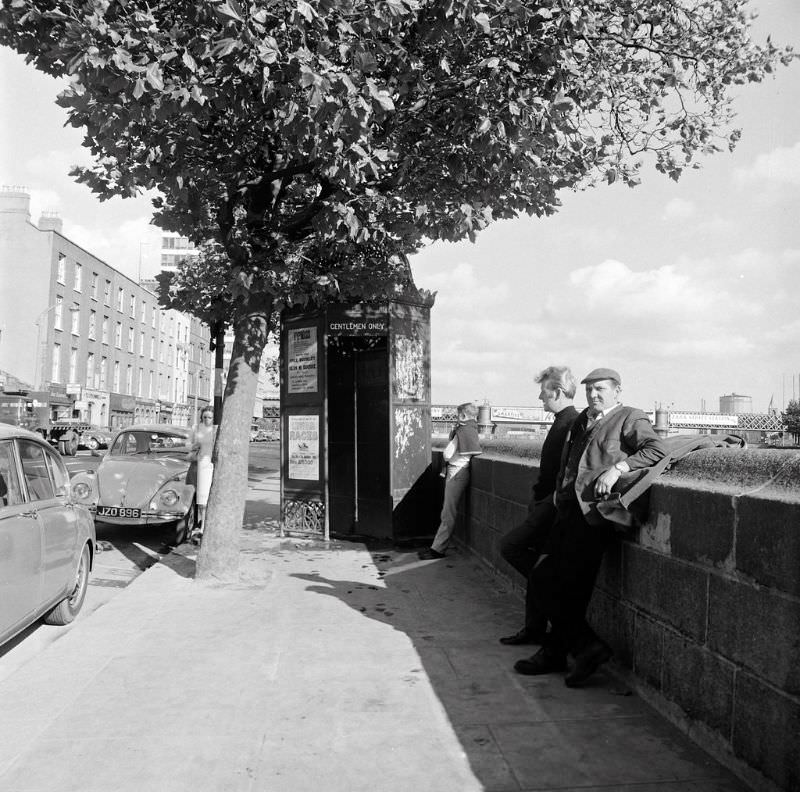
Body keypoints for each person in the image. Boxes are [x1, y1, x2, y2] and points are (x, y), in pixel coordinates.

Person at [515, 368, 667, 687]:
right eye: (589, 390)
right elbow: (569, 461)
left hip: (595, 515)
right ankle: (569, 651)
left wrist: (618, 469)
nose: (593, 395)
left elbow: (655, 449)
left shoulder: (629, 417)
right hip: (568, 511)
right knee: (549, 581)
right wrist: (558, 491)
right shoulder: (584, 418)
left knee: (563, 585)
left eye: (600, 389)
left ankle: (578, 649)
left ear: (617, 390)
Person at [498, 366, 578, 646]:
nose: (539, 397)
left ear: (557, 391)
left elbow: (568, 472)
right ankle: (533, 628)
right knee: (535, 562)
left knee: (510, 547)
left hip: (551, 506)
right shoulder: (564, 420)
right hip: (544, 503)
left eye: (543, 392)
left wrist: (547, 500)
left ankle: (550, 592)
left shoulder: (571, 423)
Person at [418, 402, 483, 560]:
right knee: (449, 512)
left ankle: (437, 549)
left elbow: (447, 454)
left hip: (456, 472)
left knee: (448, 513)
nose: (456, 417)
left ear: (463, 415)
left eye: (458, 414)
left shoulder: (463, 430)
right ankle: (437, 546)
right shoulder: (472, 429)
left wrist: (454, 435)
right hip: (462, 471)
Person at [190, 406, 216, 542]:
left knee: (208, 498)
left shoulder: (216, 429)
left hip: (211, 464)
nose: (207, 420)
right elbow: (190, 445)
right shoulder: (197, 428)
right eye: (205, 417)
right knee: (201, 499)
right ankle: (201, 525)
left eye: (210, 417)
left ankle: (206, 525)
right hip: (200, 463)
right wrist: (194, 447)